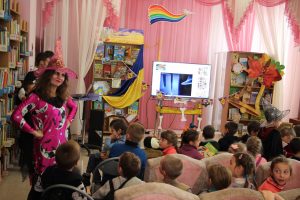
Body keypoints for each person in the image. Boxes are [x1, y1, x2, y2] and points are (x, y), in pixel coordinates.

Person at [11, 39, 78, 200]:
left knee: (59, 188)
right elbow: (16, 116)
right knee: (41, 188)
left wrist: (68, 122)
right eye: (56, 73)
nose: (59, 77)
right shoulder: (36, 97)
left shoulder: (63, 96)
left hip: (63, 149)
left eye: (62, 74)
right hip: (43, 150)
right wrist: (33, 131)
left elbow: (74, 108)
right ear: (48, 74)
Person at [82, 118, 128, 186]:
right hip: (110, 159)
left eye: (112, 131)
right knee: (93, 156)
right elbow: (104, 150)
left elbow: (107, 147)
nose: (111, 133)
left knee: (94, 160)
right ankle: (90, 177)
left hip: (114, 164)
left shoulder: (121, 141)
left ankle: (93, 180)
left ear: (119, 131)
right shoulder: (119, 138)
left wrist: (109, 138)